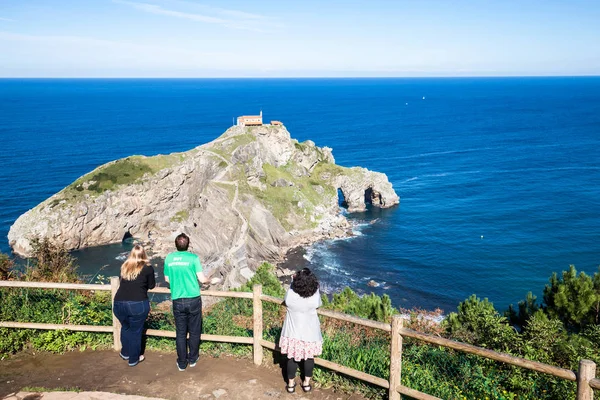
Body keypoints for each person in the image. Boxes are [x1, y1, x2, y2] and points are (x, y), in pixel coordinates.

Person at [163, 233, 219, 372]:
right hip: (193, 298)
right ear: (188, 245)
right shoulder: (193, 258)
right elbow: (202, 279)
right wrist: (212, 280)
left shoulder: (169, 258)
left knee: (181, 333)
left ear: (176, 245)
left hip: (177, 299)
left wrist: (176, 283)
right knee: (194, 331)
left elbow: (167, 279)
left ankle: (182, 363)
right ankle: (193, 359)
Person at [279, 268, 323, 393]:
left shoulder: (291, 295)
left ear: (297, 281)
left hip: (292, 333)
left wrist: (293, 282)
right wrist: (315, 287)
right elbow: (319, 303)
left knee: (291, 358)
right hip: (310, 334)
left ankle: (291, 385)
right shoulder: (314, 296)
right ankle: (306, 384)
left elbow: (286, 299)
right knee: (309, 358)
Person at [113, 244, 156, 367]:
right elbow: (151, 285)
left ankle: (125, 352)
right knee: (135, 331)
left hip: (118, 303)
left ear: (131, 254)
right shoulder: (148, 268)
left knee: (125, 327)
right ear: (144, 255)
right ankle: (134, 358)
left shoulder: (124, 266)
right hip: (137, 303)